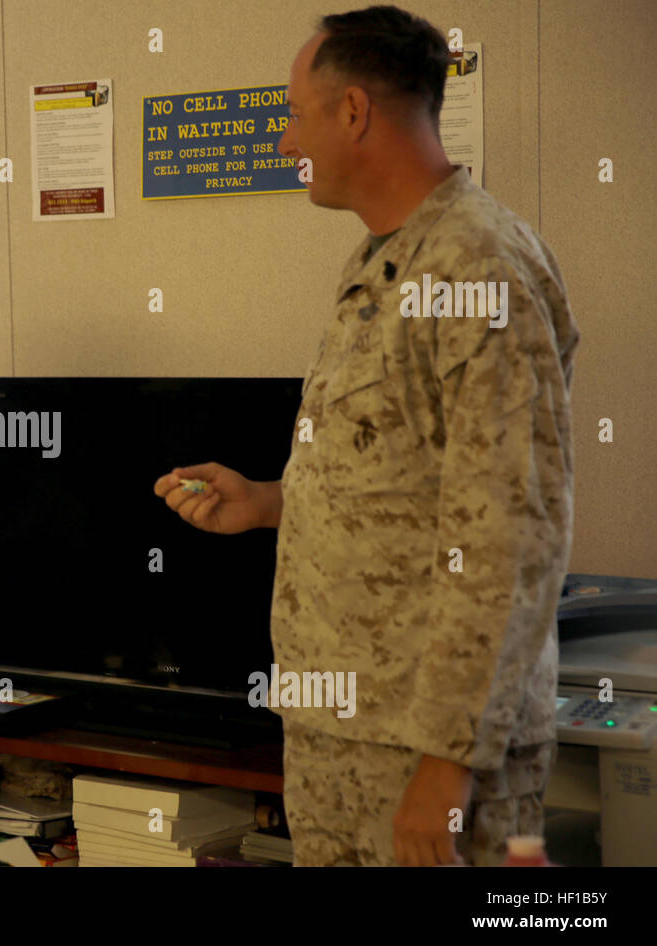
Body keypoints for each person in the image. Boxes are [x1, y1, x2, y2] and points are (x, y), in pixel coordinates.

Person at [155, 5, 579, 866]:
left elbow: (510, 535)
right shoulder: (380, 262)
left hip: (427, 760)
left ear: (352, 113)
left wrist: (446, 767)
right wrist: (274, 502)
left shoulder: (477, 269)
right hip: (338, 740)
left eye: (294, 116)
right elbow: (407, 477)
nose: (283, 143)